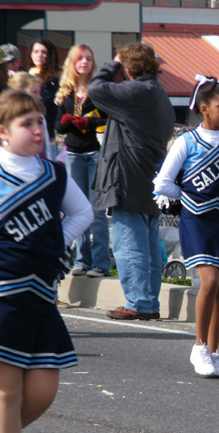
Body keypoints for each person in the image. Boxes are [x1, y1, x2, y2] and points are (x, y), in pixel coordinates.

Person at [0, 90, 92, 433]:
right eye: (26, 124)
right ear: (3, 132)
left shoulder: (55, 174)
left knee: (43, 388)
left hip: (41, 295)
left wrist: (58, 248)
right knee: (7, 393)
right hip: (3, 295)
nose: (38, 130)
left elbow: (82, 214)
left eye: (40, 122)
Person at [154, 76, 219, 378]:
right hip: (195, 220)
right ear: (203, 109)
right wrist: (191, 195)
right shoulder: (186, 142)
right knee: (208, 282)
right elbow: (162, 183)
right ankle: (198, 347)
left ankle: (214, 352)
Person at [88, 43, 175, 321]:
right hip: (148, 173)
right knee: (148, 244)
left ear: (128, 68)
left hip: (127, 173)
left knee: (128, 242)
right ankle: (148, 302)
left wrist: (112, 64)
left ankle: (137, 302)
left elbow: (96, 89)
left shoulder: (136, 91)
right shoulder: (158, 93)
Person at [55, 44, 110, 279]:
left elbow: (107, 118)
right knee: (77, 209)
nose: (85, 62)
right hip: (74, 155)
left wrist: (89, 124)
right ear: (73, 63)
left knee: (96, 210)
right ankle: (82, 260)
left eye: (89, 58)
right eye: (80, 59)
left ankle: (100, 263)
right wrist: (68, 121)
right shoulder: (65, 93)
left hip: (94, 153)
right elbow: (57, 126)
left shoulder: (97, 91)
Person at [28, 39, 60, 161]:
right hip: (28, 135)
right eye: (36, 51)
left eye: (43, 52)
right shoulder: (25, 76)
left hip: (48, 137)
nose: (39, 55)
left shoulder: (55, 81)